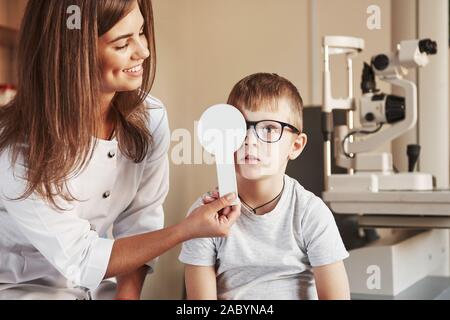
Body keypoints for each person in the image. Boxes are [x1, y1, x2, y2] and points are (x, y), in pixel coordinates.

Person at [0, 0, 240, 300]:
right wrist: (187, 229)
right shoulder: (17, 149)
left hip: (96, 288)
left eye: (141, 32)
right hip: (22, 290)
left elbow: (141, 219)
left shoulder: (150, 117)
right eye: (122, 43)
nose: (144, 51)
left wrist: (127, 298)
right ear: (74, 54)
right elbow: (82, 257)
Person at [179, 73, 350, 300]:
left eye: (269, 129)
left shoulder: (310, 214)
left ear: (296, 145)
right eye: (239, 127)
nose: (250, 140)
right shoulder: (204, 217)